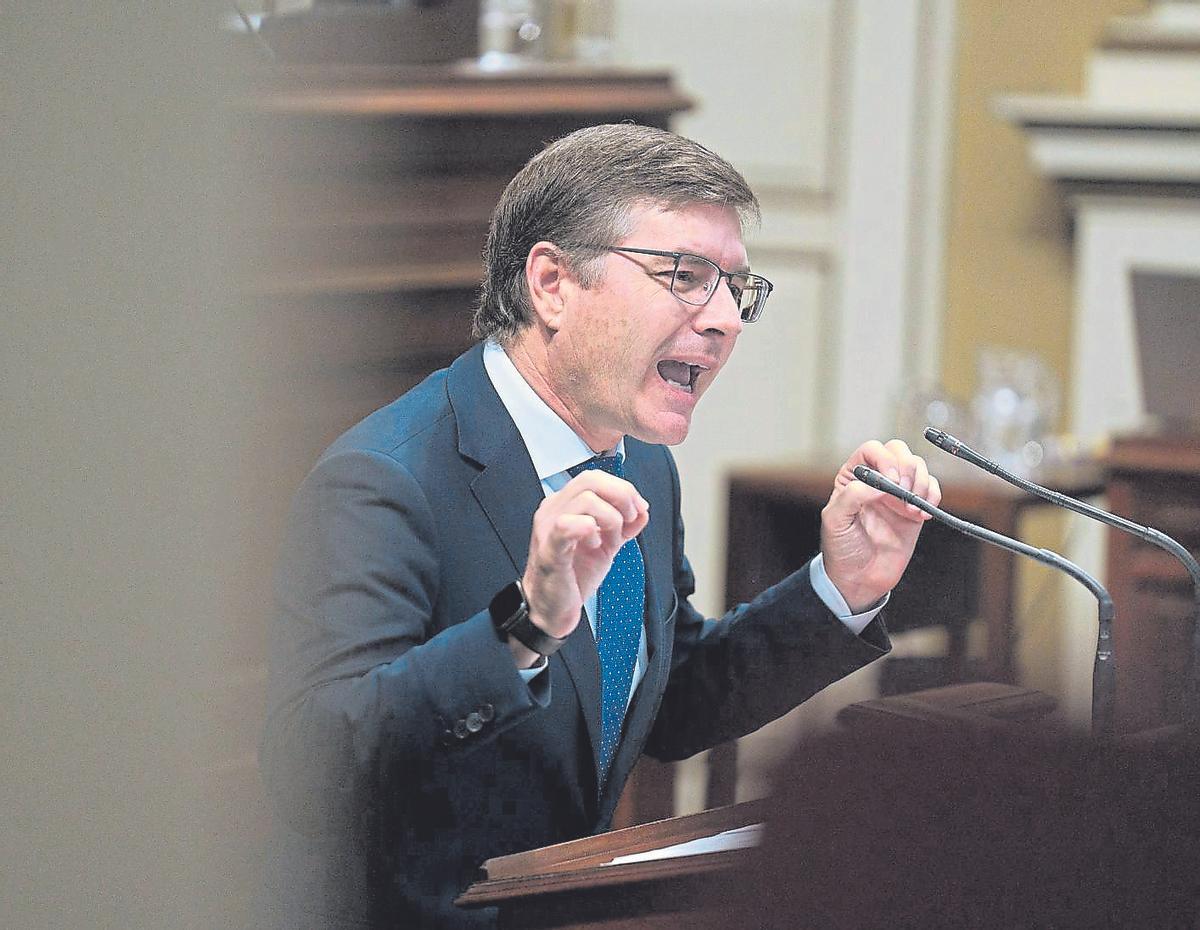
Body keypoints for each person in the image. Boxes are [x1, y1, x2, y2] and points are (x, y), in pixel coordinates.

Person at [260, 123, 941, 929]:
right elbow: (314, 768)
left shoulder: (638, 463)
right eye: (686, 275)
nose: (724, 319)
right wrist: (523, 628)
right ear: (552, 283)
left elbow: (672, 697)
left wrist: (843, 587)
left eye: (735, 288)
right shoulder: (386, 479)